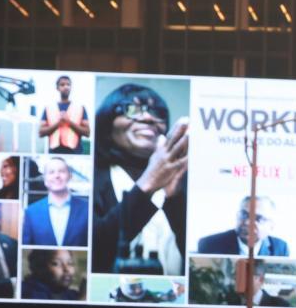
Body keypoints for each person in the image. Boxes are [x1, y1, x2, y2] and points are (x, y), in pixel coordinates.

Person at [93, 82, 188, 275]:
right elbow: (95, 249)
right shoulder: (92, 177)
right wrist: (148, 184)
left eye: (157, 112)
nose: (147, 117)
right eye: (132, 109)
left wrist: (175, 198)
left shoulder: (183, 180)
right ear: (108, 122)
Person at [22, 157, 89, 247]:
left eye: (61, 171)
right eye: (51, 172)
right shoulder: (31, 212)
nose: (57, 176)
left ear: (70, 176)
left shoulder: (87, 209)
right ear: (45, 180)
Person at [196, 195, 290, 256]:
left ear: (271, 225)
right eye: (244, 215)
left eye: (258, 218)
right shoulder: (209, 244)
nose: (247, 222)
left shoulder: (280, 248)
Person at [39, 75, 91, 154]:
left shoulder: (80, 108)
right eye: (62, 85)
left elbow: (87, 132)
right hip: (54, 152)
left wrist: (68, 122)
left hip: (75, 153)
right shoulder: (49, 108)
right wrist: (58, 123)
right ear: (57, 88)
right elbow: (41, 132)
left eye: (68, 84)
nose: (66, 87)